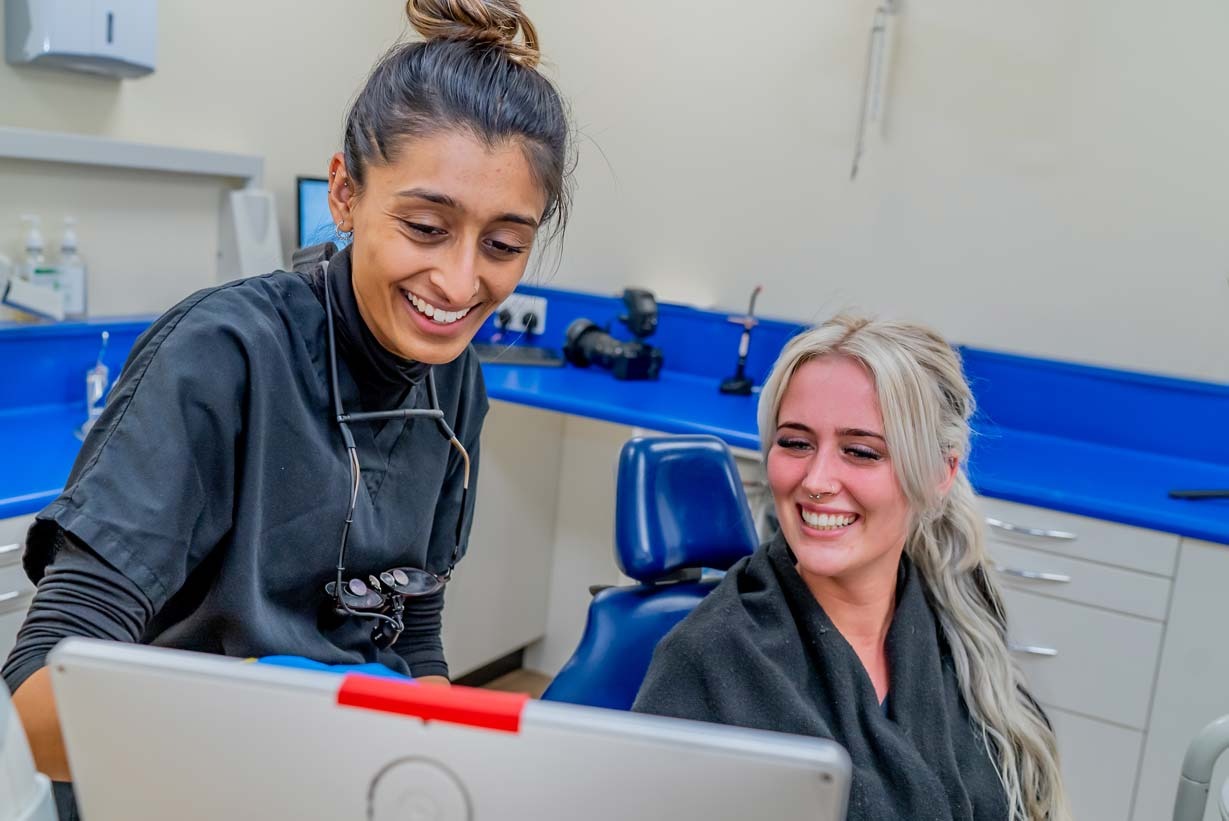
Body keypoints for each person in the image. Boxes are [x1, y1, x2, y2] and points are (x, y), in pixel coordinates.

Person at [2, 0, 571, 809]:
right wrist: (263, 705)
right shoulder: (224, 354)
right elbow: (36, 700)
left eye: (504, 244)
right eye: (423, 226)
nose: (458, 282)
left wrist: (442, 747)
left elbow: (411, 630)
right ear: (344, 194)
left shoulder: (455, 379)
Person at [633, 314, 1070, 821]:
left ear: (939, 474)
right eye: (795, 442)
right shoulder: (711, 659)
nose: (817, 480)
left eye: (861, 452)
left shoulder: (957, 621)